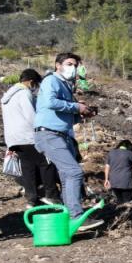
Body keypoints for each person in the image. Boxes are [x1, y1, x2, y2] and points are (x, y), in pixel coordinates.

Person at [33, 52, 102, 231]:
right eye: (70, 64)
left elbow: (63, 115)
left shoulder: (65, 86)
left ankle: (68, 219)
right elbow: (50, 102)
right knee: (74, 173)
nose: (74, 68)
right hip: (50, 134)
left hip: (62, 134)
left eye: (76, 65)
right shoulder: (51, 81)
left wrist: (81, 113)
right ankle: (76, 217)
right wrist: (76, 106)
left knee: (66, 176)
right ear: (58, 65)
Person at [0, 68, 61, 207]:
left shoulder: (7, 96)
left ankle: (31, 199)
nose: (35, 89)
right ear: (31, 82)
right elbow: (31, 116)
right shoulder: (24, 93)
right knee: (47, 162)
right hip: (27, 136)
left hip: (13, 138)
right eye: (36, 85)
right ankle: (51, 195)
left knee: (28, 168)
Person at [104, 140, 132, 205]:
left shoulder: (111, 153)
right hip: (126, 182)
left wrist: (106, 179)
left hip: (114, 181)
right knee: (128, 202)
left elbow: (107, 167)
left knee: (120, 201)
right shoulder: (130, 153)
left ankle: (122, 212)